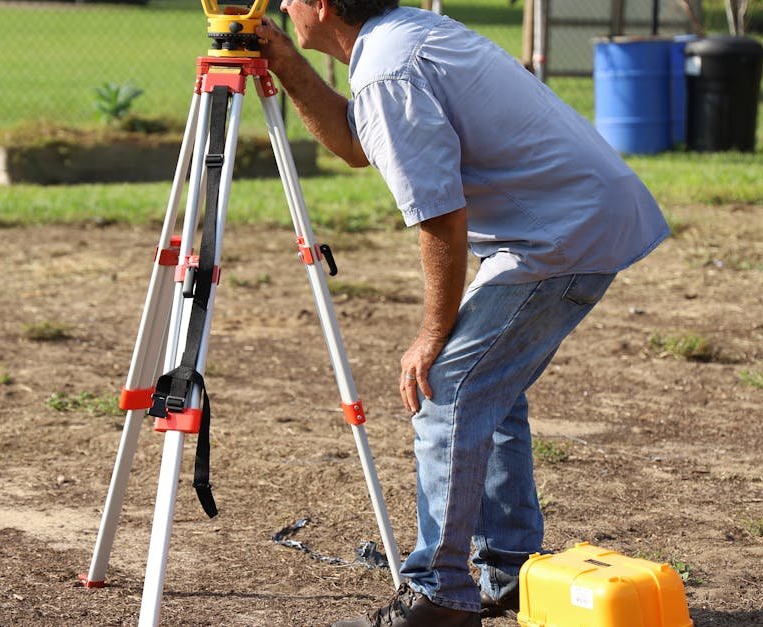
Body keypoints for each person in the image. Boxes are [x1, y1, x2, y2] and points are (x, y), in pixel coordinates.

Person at [257, 1, 669, 625]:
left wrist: (430, 334)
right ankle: (507, 572)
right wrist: (285, 62)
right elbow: (353, 145)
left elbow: (441, 214)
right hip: (570, 222)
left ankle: (439, 595)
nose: (283, 6)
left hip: (557, 236)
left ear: (320, 5)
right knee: (485, 391)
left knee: (445, 388)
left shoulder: (389, 69)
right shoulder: (402, 39)